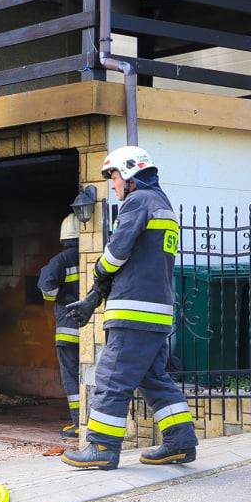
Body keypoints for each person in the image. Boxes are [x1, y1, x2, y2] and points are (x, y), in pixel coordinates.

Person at [61, 146, 198, 470]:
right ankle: (180, 443)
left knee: (112, 376)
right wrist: (98, 294)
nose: (113, 184)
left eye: (114, 176)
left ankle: (102, 448)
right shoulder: (162, 204)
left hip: (133, 311)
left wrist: (98, 274)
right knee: (154, 379)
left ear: (130, 172)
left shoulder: (138, 201)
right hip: (156, 310)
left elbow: (117, 252)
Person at [38, 214, 81, 437]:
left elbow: (48, 290)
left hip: (67, 330)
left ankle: (78, 423)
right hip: (92, 329)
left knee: (72, 376)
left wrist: (59, 297)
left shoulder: (60, 260)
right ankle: (91, 420)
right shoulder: (94, 254)